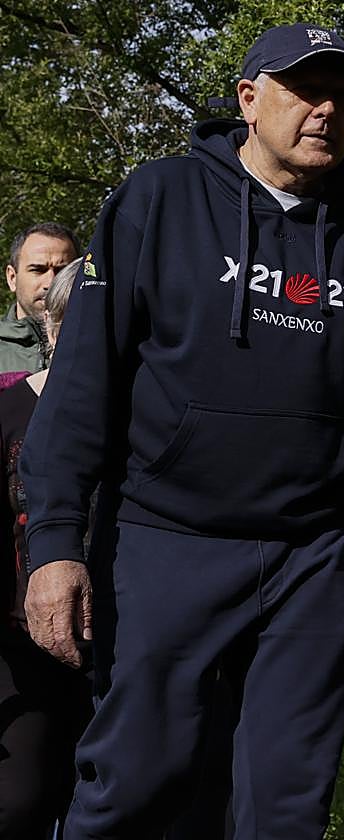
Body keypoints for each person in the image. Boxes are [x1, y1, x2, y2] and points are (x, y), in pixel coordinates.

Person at [19, 23, 344, 840]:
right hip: (163, 541)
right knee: (134, 789)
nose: (325, 109)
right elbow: (83, 386)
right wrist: (56, 541)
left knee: (284, 807)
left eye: (341, 95)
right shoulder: (160, 199)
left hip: (312, 562)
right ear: (249, 99)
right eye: (305, 89)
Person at [0, 257, 92, 838]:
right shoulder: (9, 409)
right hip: (18, 644)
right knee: (19, 805)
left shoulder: (152, 418)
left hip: (123, 645)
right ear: (52, 325)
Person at [1, 223, 79, 374]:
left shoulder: (100, 342)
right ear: (12, 278)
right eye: (38, 270)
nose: (50, 283)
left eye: (62, 271)